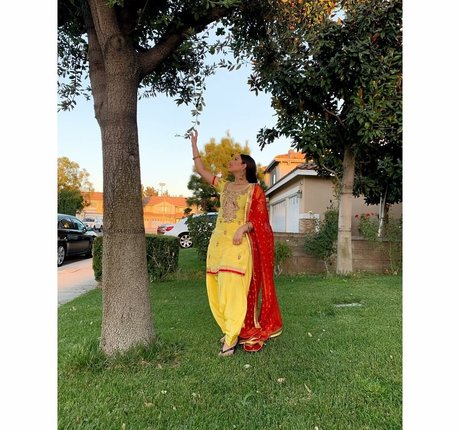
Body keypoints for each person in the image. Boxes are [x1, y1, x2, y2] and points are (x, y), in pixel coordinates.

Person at [190, 129, 283, 356]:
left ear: (244, 167)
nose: (230, 162)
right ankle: (230, 328)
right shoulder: (224, 186)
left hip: (239, 244)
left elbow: (261, 220)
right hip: (218, 243)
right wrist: (194, 145)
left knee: (233, 288)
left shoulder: (254, 190)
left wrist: (243, 228)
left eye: (235, 160)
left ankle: (231, 339)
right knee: (217, 287)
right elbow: (202, 170)